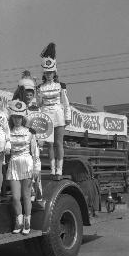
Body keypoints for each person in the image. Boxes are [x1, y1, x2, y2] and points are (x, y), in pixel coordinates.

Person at [6, 100, 41, 235]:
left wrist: (36, 168)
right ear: (12, 118)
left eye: (19, 117)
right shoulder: (8, 132)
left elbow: (35, 152)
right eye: (15, 117)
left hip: (27, 163)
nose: (17, 120)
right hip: (14, 164)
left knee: (26, 196)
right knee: (15, 197)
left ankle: (27, 221)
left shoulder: (30, 132)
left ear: (23, 118)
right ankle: (19, 220)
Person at [36, 42, 71, 176]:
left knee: (58, 144)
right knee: (49, 145)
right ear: (44, 73)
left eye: (51, 72)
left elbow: (66, 103)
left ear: (54, 72)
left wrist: (67, 117)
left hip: (58, 115)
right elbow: (39, 105)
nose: (49, 74)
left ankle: (59, 169)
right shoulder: (40, 87)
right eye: (47, 72)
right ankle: (51, 169)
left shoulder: (60, 86)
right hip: (46, 115)